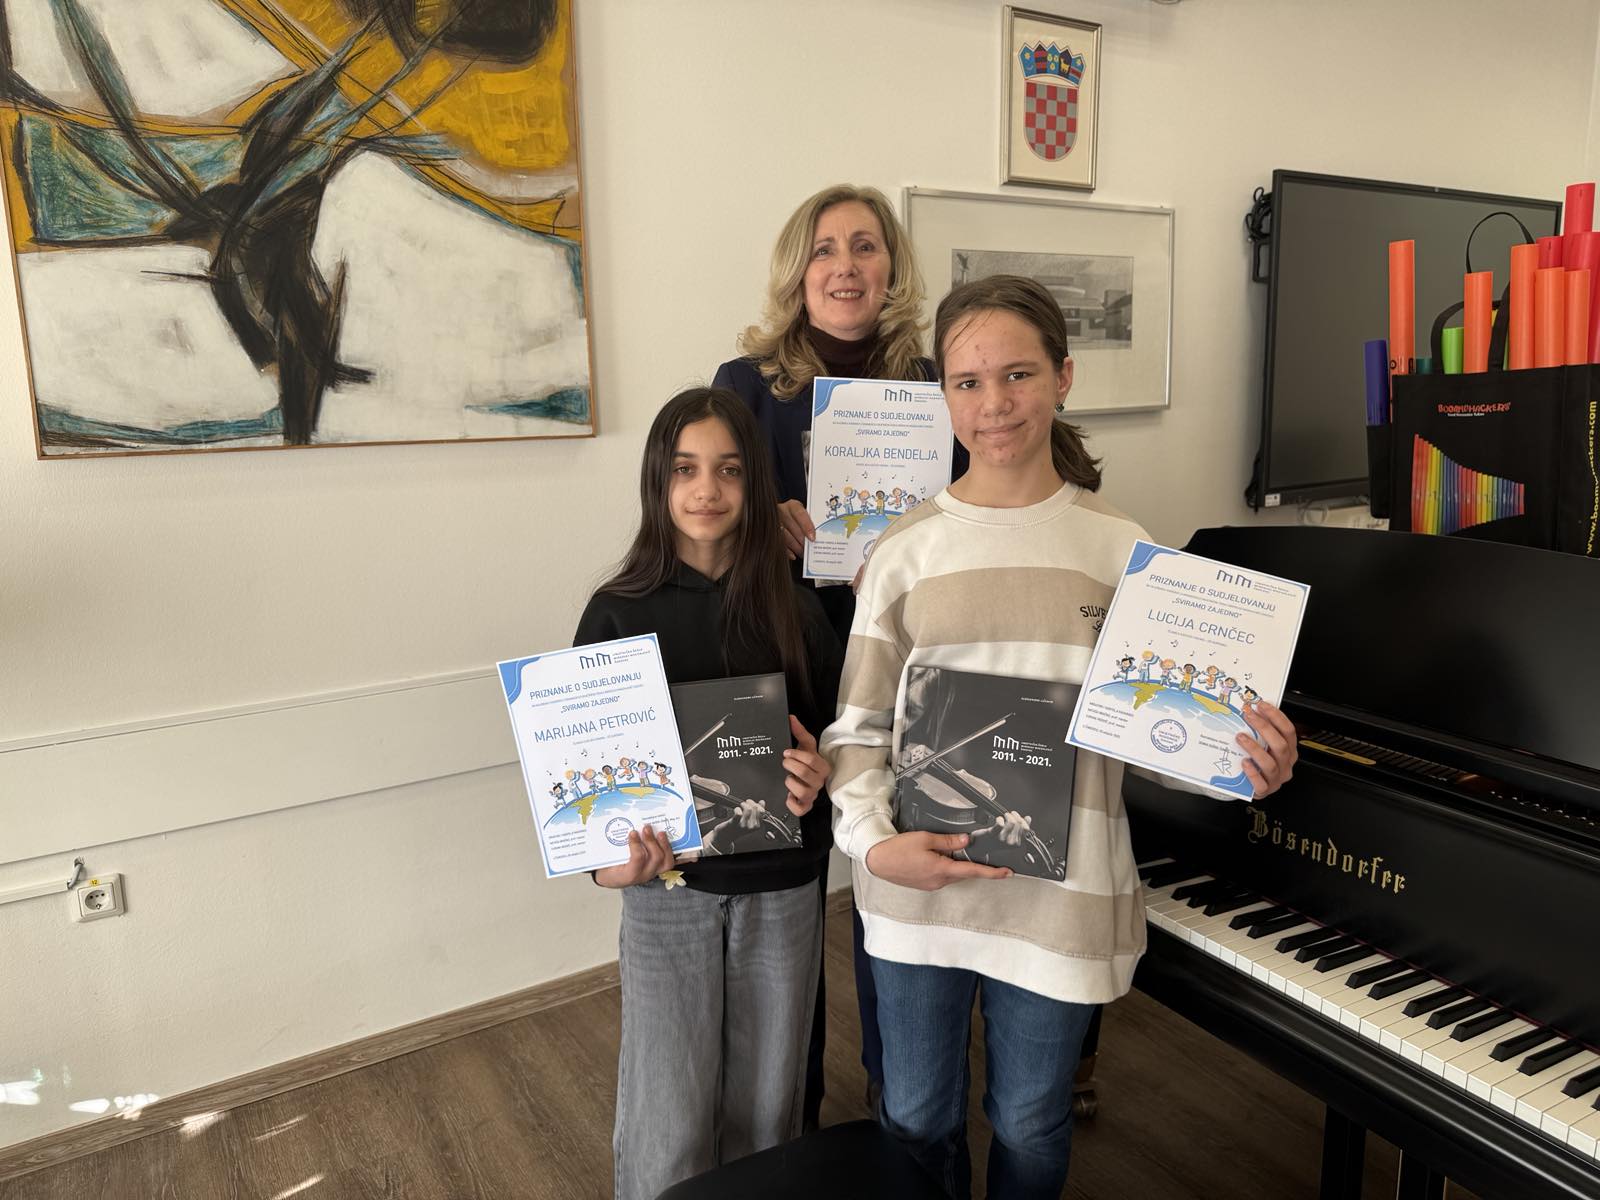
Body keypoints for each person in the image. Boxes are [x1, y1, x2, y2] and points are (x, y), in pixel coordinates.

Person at [821, 275, 1299, 1199]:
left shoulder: (1125, 552)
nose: (993, 404)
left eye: (1018, 375)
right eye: (967, 382)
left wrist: (1244, 765)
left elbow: (1164, 736)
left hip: (1060, 901)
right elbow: (859, 728)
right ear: (943, 393)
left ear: (1063, 377)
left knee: (1033, 1122)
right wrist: (875, 846)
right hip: (918, 892)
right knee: (914, 1116)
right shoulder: (903, 551)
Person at [713, 183, 969, 1124]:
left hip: (900, 658)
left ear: (891, 266)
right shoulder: (744, 385)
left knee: (888, 873)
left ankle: (902, 1096)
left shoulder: (935, 382)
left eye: (866, 246)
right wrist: (761, 516)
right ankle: (798, 1112)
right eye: (825, 249)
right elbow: (700, 510)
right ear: (799, 269)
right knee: (789, 898)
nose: (846, 266)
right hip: (787, 658)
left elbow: (973, 507)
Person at [575, 387, 839, 1200]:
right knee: (667, 1114)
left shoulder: (799, 611)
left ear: (754, 484)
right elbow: (585, 788)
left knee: (769, 1107)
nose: (707, 490)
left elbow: (840, 754)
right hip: (667, 893)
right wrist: (609, 868)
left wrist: (819, 779)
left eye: (729, 470)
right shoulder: (614, 616)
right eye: (685, 469)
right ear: (658, 481)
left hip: (782, 891)